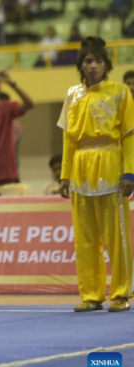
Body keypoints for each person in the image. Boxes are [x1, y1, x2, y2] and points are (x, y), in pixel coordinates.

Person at [58, 37, 134, 312]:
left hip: (112, 165)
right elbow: (68, 139)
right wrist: (65, 175)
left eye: (98, 61)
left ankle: (121, 293)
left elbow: (128, 136)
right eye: (88, 61)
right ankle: (91, 295)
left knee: (117, 235)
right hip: (80, 169)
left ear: (106, 64)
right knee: (85, 236)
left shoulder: (120, 92)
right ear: (80, 65)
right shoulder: (72, 95)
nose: (93, 66)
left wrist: (130, 172)